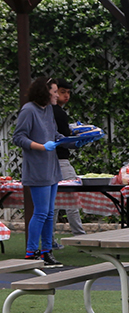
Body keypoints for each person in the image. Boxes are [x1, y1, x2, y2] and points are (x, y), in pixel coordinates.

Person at [10, 76, 68, 265]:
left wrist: (71, 140)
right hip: (37, 169)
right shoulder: (28, 110)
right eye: (53, 92)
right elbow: (18, 137)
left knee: (50, 213)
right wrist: (41, 146)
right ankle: (31, 252)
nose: (56, 95)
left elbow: (54, 133)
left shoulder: (49, 109)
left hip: (51, 168)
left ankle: (46, 251)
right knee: (41, 212)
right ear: (44, 93)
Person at [51, 80, 86, 238]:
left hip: (48, 160)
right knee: (72, 198)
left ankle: (49, 240)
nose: (66, 95)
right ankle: (80, 237)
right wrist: (80, 139)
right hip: (61, 160)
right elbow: (63, 140)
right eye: (62, 91)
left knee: (53, 202)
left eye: (68, 92)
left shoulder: (46, 111)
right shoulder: (58, 112)